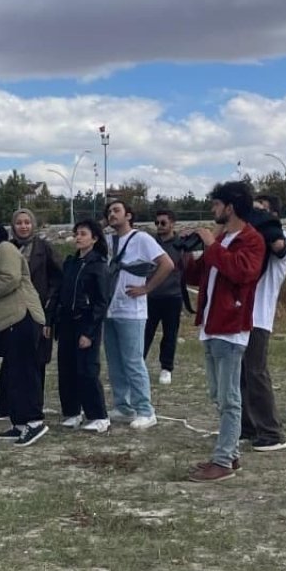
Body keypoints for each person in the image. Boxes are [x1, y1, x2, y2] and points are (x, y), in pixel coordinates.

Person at [182, 181, 266, 482]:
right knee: (218, 394)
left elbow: (242, 272)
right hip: (211, 324)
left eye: (216, 204)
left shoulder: (251, 240)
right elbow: (198, 274)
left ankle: (222, 460)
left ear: (230, 207)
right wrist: (186, 255)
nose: (212, 210)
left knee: (229, 398)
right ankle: (229, 454)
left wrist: (210, 245)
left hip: (231, 327)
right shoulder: (224, 239)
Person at [0, 221, 48, 447]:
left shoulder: (5, 248)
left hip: (22, 317)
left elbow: (9, 278)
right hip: (9, 322)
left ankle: (34, 422)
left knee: (24, 372)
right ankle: (20, 423)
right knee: (13, 373)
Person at [103, 200, 174, 429]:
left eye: (116, 210)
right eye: (109, 212)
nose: (112, 214)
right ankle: (123, 406)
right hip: (110, 308)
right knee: (114, 361)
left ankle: (145, 409)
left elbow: (167, 264)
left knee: (133, 361)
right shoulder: (107, 241)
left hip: (131, 310)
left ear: (129, 215)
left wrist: (147, 288)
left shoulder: (141, 239)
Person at [0, 208, 63, 420]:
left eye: (27, 222)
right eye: (19, 223)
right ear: (13, 226)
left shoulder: (44, 248)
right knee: (11, 361)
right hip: (12, 313)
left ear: (33, 224)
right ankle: (5, 406)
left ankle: (34, 408)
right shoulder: (6, 248)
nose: (23, 226)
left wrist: (50, 303)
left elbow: (58, 277)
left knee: (36, 362)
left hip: (38, 312)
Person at [47, 219, 111, 433]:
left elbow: (102, 302)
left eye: (83, 234)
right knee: (66, 369)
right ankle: (72, 412)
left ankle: (99, 415)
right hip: (66, 323)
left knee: (87, 370)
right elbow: (59, 292)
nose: (78, 237)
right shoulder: (70, 263)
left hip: (85, 322)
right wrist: (50, 319)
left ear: (94, 238)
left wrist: (89, 332)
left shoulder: (99, 265)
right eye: (77, 233)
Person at [242, 195, 286, 452]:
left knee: (256, 372)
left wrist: (264, 222)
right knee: (241, 375)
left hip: (259, 315)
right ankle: (248, 427)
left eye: (260, 210)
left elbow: (278, 247)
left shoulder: (281, 236)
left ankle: (272, 432)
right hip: (241, 315)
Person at [144, 209, 187, 386]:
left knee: (170, 334)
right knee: (145, 333)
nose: (159, 226)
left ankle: (166, 368)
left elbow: (187, 267)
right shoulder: (150, 242)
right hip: (151, 295)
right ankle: (138, 364)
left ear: (172, 223)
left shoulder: (181, 244)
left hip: (173, 296)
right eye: (157, 223)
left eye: (163, 223)